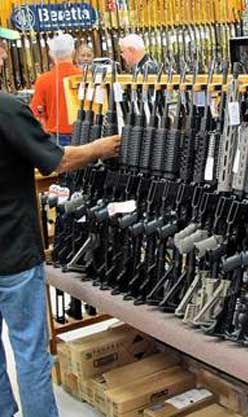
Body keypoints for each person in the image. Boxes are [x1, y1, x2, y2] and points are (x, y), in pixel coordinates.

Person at [0, 35, 121, 417]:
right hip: (13, 253)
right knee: (31, 353)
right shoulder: (7, 109)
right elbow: (57, 161)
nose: (3, 54)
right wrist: (100, 148)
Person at [30, 33, 81, 146]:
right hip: (83, 134)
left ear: (51, 54)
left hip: (55, 137)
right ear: (73, 52)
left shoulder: (43, 80)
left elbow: (37, 113)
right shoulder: (85, 77)